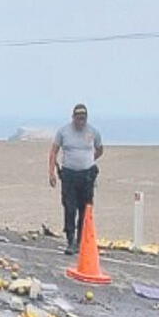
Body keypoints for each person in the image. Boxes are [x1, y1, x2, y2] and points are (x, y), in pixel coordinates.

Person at [49, 103, 104, 255]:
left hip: (87, 176)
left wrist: (89, 161)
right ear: (73, 117)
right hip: (69, 175)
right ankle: (71, 240)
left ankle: (81, 240)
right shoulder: (63, 132)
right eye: (79, 118)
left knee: (85, 209)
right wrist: (51, 172)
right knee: (70, 208)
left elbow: (100, 149)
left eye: (84, 118)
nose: (81, 121)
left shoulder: (93, 132)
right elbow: (54, 151)